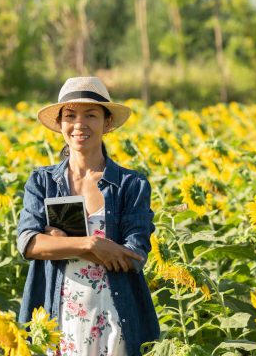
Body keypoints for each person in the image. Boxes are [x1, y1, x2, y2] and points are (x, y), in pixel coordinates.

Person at [16, 77, 160, 355]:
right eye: (70, 115)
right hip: (57, 322)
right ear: (60, 124)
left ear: (107, 124)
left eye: (91, 115)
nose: (79, 124)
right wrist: (90, 244)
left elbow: (135, 255)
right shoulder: (42, 182)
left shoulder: (131, 184)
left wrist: (60, 242)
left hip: (115, 319)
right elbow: (30, 244)